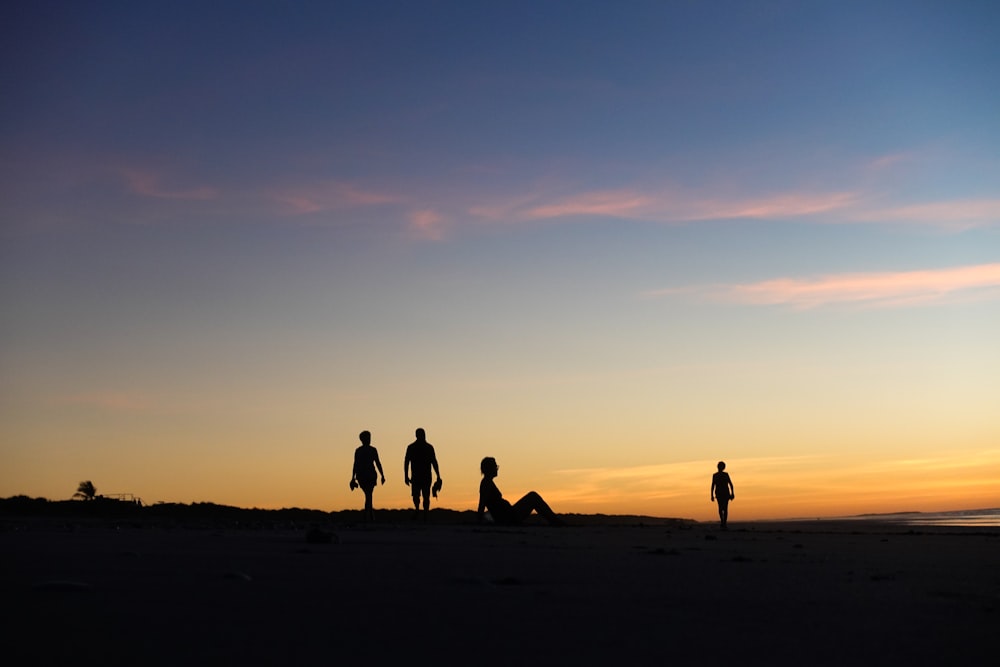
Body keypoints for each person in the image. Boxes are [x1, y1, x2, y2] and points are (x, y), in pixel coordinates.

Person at [477, 457, 562, 526]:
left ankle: (554, 520)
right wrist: (479, 521)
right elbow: (482, 503)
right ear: (489, 468)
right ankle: (554, 520)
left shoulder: (487, 482)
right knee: (533, 496)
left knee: (533, 496)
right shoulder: (486, 483)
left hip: (508, 514)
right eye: (495, 467)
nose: (497, 469)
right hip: (508, 517)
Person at [404, 428, 442, 520]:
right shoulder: (412, 447)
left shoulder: (428, 447)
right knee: (417, 495)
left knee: (425, 495)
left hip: (424, 476)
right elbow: (406, 462)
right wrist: (405, 475)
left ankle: (424, 513)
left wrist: (438, 475)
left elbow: (434, 462)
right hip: (418, 476)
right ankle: (419, 510)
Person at [350, 430, 385, 522]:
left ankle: (369, 516)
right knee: (369, 495)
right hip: (365, 475)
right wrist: (352, 477)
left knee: (368, 495)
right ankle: (368, 516)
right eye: (367, 438)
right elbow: (356, 464)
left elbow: (377, 463)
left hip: (368, 475)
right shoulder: (367, 450)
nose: (369, 440)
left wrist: (382, 475)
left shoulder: (364, 450)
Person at [711, 461, 734, 529]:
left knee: (723, 508)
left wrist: (732, 493)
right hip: (720, 493)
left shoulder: (724, 475)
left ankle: (723, 523)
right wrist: (711, 495)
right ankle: (723, 522)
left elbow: (730, 484)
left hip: (724, 493)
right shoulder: (716, 475)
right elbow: (713, 485)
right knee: (722, 508)